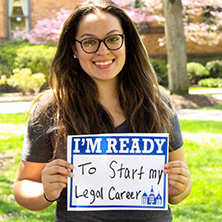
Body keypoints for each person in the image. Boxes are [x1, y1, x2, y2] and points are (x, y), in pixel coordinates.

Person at [14, 0, 192, 221]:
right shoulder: (51, 108)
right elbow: (24, 185)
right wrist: (46, 191)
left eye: (113, 39)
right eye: (89, 42)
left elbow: (178, 189)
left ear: (127, 42)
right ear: (74, 48)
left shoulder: (158, 102)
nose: (103, 51)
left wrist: (181, 186)